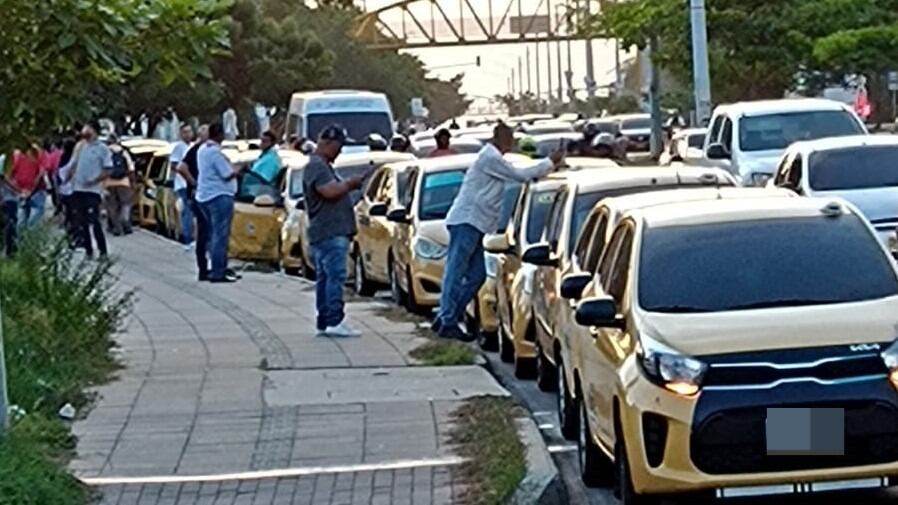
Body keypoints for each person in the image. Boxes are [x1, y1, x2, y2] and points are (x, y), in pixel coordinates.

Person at [433, 123, 564, 341]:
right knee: (455, 272)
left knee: (477, 275)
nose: (512, 143)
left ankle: (450, 316)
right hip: (467, 220)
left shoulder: (493, 158)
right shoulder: (490, 158)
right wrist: (550, 162)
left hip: (476, 223)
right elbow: (520, 175)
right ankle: (447, 318)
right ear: (501, 139)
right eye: (509, 139)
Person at [303, 125, 368, 338]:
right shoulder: (317, 166)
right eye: (339, 146)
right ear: (328, 143)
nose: (340, 151)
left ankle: (325, 320)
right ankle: (334, 320)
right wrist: (350, 184)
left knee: (326, 277)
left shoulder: (323, 166)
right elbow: (328, 191)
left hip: (329, 232)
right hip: (330, 232)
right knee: (335, 277)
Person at [196, 123, 244, 283]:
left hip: (205, 195)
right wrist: (238, 168)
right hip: (219, 195)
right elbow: (226, 174)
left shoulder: (202, 150)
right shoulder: (215, 153)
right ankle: (218, 271)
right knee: (220, 235)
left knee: (213, 234)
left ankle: (217, 267)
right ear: (220, 135)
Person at [69, 121, 112, 258]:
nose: (84, 131)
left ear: (93, 130)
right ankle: (88, 250)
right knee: (81, 221)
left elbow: (108, 169)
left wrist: (94, 180)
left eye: (87, 128)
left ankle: (102, 250)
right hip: (78, 189)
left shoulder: (103, 149)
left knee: (94, 220)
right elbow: (73, 164)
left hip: (92, 190)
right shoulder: (80, 146)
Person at [175, 125, 212, 281]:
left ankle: (206, 266)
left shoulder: (203, 149)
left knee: (205, 231)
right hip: (200, 195)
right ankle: (205, 267)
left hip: (202, 193)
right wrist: (194, 183)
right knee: (205, 230)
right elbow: (181, 167)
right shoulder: (197, 150)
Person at [10, 144, 49, 228]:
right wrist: (31, 188)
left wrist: (18, 189)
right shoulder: (38, 152)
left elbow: (10, 175)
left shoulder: (17, 154)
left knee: (22, 217)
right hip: (34, 190)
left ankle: (23, 238)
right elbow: (42, 172)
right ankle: (30, 235)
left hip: (23, 190)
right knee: (37, 213)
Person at [104, 135, 136, 236]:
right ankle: (125, 223)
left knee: (112, 206)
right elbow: (131, 168)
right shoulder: (124, 153)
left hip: (109, 183)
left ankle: (116, 227)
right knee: (125, 204)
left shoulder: (105, 153)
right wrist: (132, 181)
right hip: (124, 182)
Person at [170, 124, 195, 250]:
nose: (188, 134)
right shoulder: (178, 147)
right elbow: (174, 165)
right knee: (187, 211)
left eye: (189, 132)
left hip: (192, 183)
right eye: (185, 132)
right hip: (182, 184)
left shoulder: (193, 146)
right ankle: (187, 239)